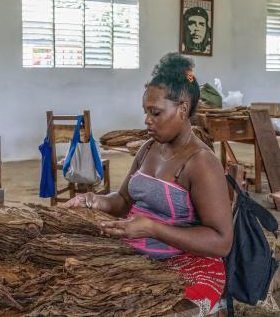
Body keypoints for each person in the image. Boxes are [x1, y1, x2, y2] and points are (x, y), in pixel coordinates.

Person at [63, 52, 233, 314]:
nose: (147, 120)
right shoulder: (147, 149)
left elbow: (221, 242)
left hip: (187, 269)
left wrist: (154, 229)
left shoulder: (202, 163)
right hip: (137, 257)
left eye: (155, 112)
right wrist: (94, 200)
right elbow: (123, 201)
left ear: (183, 109)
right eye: (145, 112)